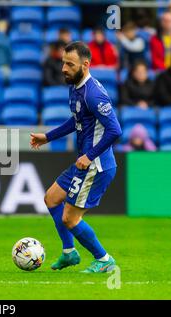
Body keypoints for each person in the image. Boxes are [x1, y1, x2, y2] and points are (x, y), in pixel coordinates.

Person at [30, 41, 122, 273]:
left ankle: (104, 260)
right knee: (51, 199)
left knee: (70, 218)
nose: (64, 68)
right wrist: (47, 137)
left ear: (85, 65)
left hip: (95, 165)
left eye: (70, 64)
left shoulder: (94, 94)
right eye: (63, 63)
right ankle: (69, 253)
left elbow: (115, 130)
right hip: (84, 162)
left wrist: (90, 156)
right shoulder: (75, 87)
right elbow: (77, 120)